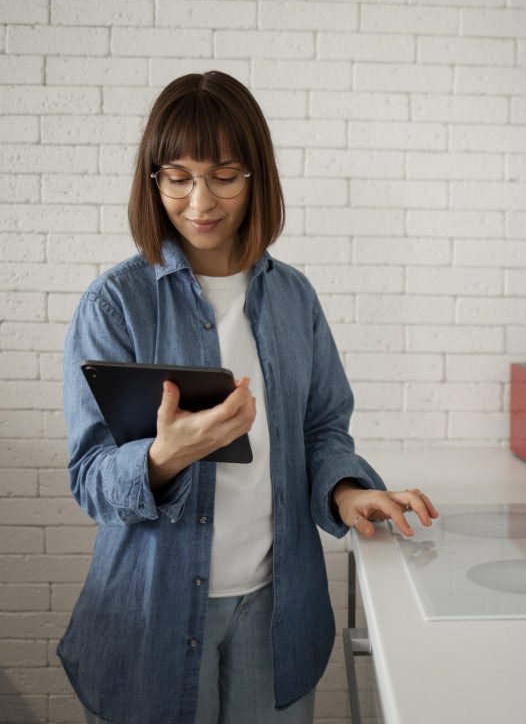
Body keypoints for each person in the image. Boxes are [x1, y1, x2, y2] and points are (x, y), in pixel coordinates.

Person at [59, 70, 439, 724]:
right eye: (177, 176)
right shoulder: (116, 305)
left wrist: (348, 491)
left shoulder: (293, 298)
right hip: (152, 611)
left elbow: (322, 429)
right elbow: (91, 478)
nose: (200, 200)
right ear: (154, 181)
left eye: (224, 174)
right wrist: (164, 458)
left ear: (255, 175)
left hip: (277, 609)